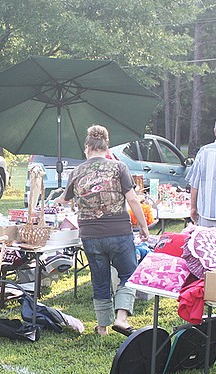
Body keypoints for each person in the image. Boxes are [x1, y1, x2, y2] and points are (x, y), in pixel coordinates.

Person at [57, 125, 149, 337]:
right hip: (118, 231)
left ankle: (102, 328)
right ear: (106, 148)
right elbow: (133, 199)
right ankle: (121, 318)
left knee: (100, 280)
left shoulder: (77, 172)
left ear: (87, 147)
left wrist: (53, 199)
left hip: (90, 235)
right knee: (129, 273)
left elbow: (64, 200)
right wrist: (143, 226)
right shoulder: (119, 168)